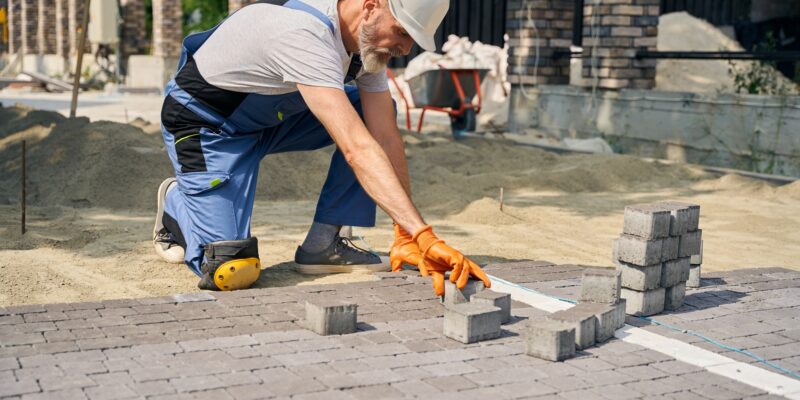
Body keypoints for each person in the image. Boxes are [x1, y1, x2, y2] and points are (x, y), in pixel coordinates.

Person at [152, 0, 491, 295]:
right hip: (207, 127)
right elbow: (357, 149)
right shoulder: (303, 33)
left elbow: (384, 138)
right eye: (402, 32)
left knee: (377, 110)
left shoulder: (365, 46)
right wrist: (424, 234)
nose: (405, 49)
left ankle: (323, 244)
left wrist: (406, 234)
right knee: (232, 270)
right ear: (371, 5)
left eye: (411, 41)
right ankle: (177, 201)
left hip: (272, 117)